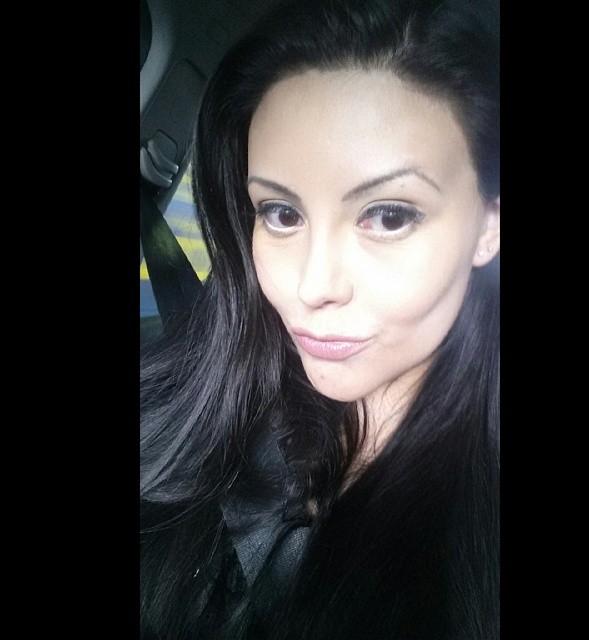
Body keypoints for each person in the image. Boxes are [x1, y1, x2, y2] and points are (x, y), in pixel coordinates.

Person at [140, 0, 500, 638]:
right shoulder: (205, 392)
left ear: (489, 226)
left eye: (389, 215)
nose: (311, 287)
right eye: (281, 214)